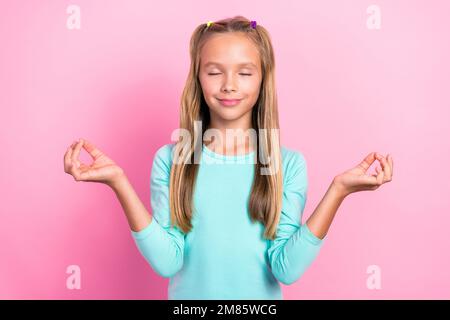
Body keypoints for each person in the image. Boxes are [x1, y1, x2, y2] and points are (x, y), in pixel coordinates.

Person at [63, 16, 393, 300]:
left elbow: (287, 269)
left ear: (263, 79)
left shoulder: (287, 164)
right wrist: (118, 182)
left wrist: (338, 190)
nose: (229, 85)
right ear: (197, 77)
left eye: (245, 73)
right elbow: (168, 263)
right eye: (214, 72)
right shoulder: (172, 160)